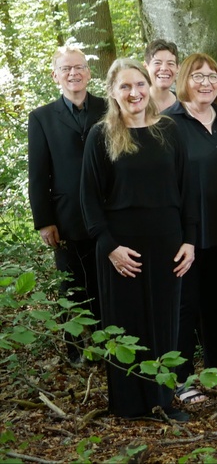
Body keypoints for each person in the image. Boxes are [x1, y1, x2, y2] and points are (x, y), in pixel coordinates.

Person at [80, 59, 196, 422]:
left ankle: (162, 400)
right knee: (126, 322)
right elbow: (89, 198)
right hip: (121, 247)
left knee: (164, 322)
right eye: (125, 87)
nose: (134, 93)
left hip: (168, 242)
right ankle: (130, 405)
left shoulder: (170, 130)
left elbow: (188, 189)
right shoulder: (102, 135)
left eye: (140, 85)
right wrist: (109, 246)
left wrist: (190, 240)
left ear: (149, 87)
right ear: (113, 93)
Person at [163, 53, 217, 404]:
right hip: (187, 237)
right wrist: (181, 235)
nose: (206, 82)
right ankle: (180, 381)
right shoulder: (169, 124)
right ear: (185, 80)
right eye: (198, 76)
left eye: (212, 76)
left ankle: (216, 374)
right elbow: (167, 187)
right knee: (186, 306)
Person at [28, 44, 106, 365]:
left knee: (104, 283)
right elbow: (38, 174)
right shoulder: (42, 118)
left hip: (106, 213)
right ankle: (75, 349)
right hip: (66, 216)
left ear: (88, 73)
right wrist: (44, 220)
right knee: (71, 285)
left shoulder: (108, 108)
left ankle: (107, 345)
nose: (73, 73)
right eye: (66, 69)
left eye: (79, 67)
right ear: (55, 76)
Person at [145, 39, 179, 111]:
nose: (164, 68)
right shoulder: (138, 103)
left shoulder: (185, 104)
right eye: (157, 63)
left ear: (177, 68)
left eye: (170, 63)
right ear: (146, 67)